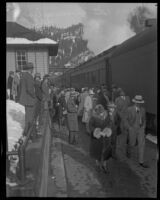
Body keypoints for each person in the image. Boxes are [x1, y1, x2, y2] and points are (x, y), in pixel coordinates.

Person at [126, 95, 149, 168]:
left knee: (141, 145)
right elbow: (125, 120)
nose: (138, 104)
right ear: (135, 102)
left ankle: (141, 162)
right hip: (132, 128)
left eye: (140, 102)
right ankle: (128, 149)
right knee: (132, 143)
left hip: (140, 129)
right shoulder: (129, 109)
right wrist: (129, 127)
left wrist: (144, 126)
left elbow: (144, 119)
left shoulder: (143, 110)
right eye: (137, 102)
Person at [89, 104, 112, 173]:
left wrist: (107, 130)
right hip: (97, 138)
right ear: (97, 112)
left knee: (106, 152)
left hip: (105, 138)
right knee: (97, 152)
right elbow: (90, 126)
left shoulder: (107, 116)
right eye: (100, 112)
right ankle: (98, 165)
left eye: (102, 112)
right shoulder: (93, 117)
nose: (101, 114)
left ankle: (104, 165)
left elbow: (110, 123)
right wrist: (98, 132)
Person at [19, 63, 36, 137]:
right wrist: (34, 95)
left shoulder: (23, 76)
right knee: (30, 117)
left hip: (26, 99)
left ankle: (27, 132)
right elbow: (30, 89)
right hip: (29, 100)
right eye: (32, 69)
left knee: (28, 116)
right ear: (30, 69)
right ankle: (30, 133)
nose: (33, 70)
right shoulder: (29, 76)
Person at [115, 90, 130, 154]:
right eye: (122, 93)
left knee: (124, 132)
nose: (123, 94)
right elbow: (117, 109)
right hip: (122, 117)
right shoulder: (119, 99)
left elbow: (128, 106)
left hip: (124, 117)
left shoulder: (126, 98)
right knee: (122, 132)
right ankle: (121, 146)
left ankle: (122, 145)